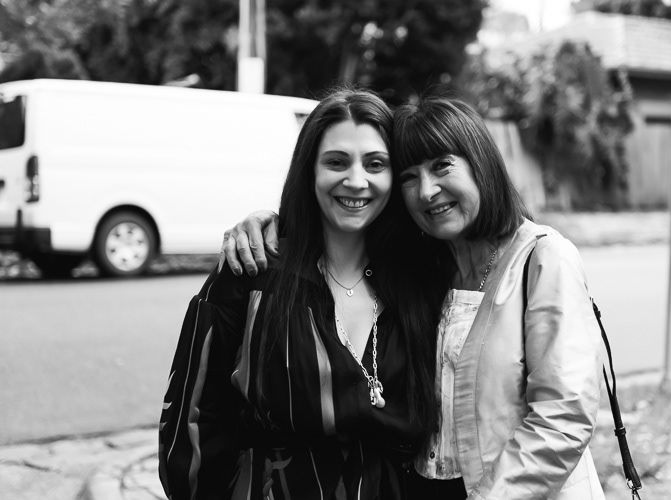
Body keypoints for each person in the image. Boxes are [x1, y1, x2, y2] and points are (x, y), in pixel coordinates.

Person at [220, 94, 607, 500]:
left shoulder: (542, 258)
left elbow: (563, 417)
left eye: (442, 166)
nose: (426, 191)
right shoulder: (421, 269)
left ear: (481, 162)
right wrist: (272, 225)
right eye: (408, 177)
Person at [158, 88, 446, 500]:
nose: (356, 181)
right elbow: (194, 418)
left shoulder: (421, 280)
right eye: (336, 162)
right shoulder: (253, 273)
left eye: (375, 164)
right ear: (308, 170)